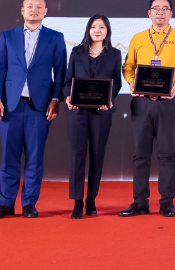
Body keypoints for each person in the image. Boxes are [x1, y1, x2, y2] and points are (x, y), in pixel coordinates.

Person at [0, 0, 66, 219]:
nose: (34, 9)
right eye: (29, 6)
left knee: (35, 157)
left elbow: (61, 72)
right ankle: (5, 204)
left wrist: (55, 99)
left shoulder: (55, 37)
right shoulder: (7, 36)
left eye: (39, 6)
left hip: (39, 108)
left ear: (45, 12)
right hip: (9, 106)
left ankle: (29, 204)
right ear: (22, 10)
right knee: (8, 158)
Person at [119, 0, 175, 218]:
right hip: (141, 102)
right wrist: (131, 81)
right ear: (149, 13)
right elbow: (128, 66)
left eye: (165, 9)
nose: (160, 12)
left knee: (167, 154)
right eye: (156, 9)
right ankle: (139, 202)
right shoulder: (138, 38)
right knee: (140, 154)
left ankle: (166, 203)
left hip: (168, 102)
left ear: (171, 13)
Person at [61, 15, 123, 219]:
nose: (97, 30)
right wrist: (68, 97)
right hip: (77, 111)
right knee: (77, 156)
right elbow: (67, 81)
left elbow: (116, 82)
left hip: (101, 112)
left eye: (102, 27)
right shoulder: (76, 52)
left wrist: (109, 99)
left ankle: (91, 200)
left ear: (107, 31)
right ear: (88, 30)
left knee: (97, 156)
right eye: (93, 27)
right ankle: (77, 202)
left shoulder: (114, 54)